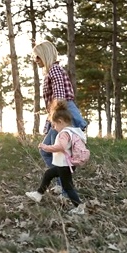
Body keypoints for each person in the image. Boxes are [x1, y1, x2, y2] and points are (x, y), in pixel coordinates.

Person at [32, 41, 88, 193]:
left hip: (62, 112)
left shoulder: (54, 70)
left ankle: (64, 189)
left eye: (37, 56)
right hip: (58, 113)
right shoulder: (52, 71)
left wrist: (57, 120)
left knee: (56, 153)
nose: (35, 60)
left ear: (45, 55)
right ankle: (60, 183)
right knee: (49, 152)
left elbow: (60, 97)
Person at [26, 101, 86, 215]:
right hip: (66, 165)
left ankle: (79, 207)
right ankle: (38, 194)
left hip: (64, 165)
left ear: (60, 121)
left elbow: (61, 146)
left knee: (68, 188)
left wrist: (46, 147)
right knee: (48, 174)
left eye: (54, 125)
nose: (54, 128)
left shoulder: (64, 133)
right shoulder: (73, 131)